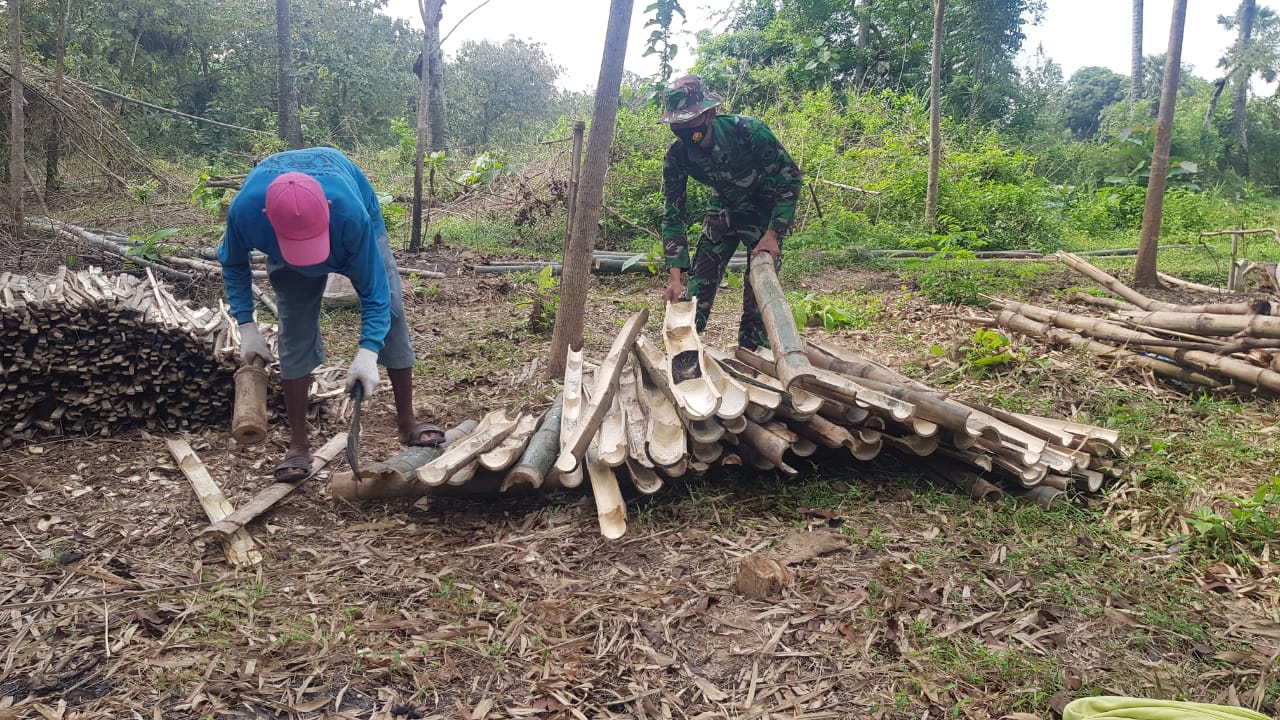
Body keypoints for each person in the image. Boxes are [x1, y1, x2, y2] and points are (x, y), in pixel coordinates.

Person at [218, 147, 443, 482]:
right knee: (294, 324)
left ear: (327, 208)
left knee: (393, 309)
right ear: (267, 215)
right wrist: (247, 325)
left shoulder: (351, 214)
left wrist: (368, 352)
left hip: (348, 224)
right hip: (283, 240)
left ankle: (407, 422)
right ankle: (298, 445)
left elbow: (375, 292)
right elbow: (233, 265)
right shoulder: (246, 212)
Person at [659, 75, 803, 350]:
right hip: (723, 209)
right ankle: (683, 355)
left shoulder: (748, 131)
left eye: (690, 124)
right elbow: (673, 214)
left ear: (710, 113)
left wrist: (774, 233)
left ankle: (752, 358)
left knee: (758, 293)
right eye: (677, 127)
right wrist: (675, 277)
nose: (685, 133)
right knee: (696, 288)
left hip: (764, 212)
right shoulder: (678, 156)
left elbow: (790, 178)